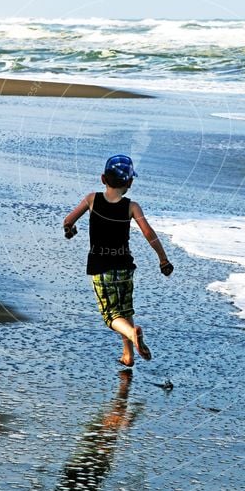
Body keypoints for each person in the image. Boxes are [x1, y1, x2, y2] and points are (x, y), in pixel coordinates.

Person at [63, 154, 173, 366]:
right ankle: (128, 355)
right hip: (124, 267)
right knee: (125, 310)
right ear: (130, 182)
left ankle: (132, 336)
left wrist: (71, 230)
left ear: (103, 179)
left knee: (111, 316)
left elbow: (68, 221)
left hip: (100, 267)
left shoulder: (92, 199)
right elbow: (149, 233)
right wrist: (163, 259)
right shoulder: (132, 206)